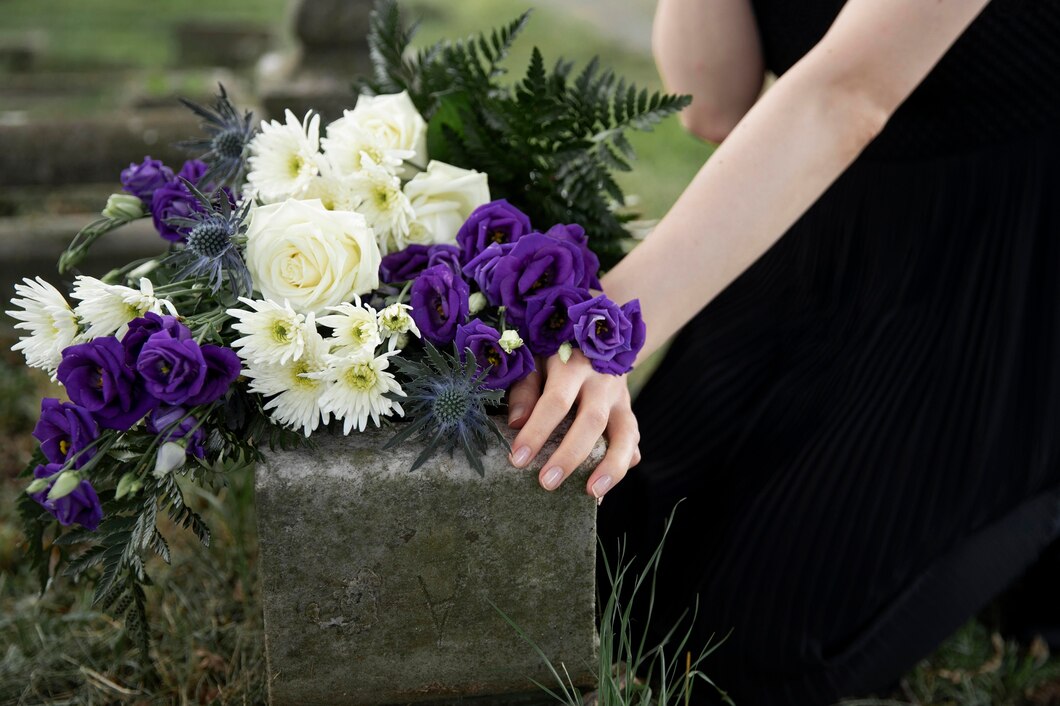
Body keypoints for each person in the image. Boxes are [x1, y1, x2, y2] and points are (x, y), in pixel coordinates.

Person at [505, 0, 1060, 703]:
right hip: (833, 224)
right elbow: (712, 103)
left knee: (764, 644)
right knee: (632, 568)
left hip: (1005, 256)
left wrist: (602, 327)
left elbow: (845, 96)